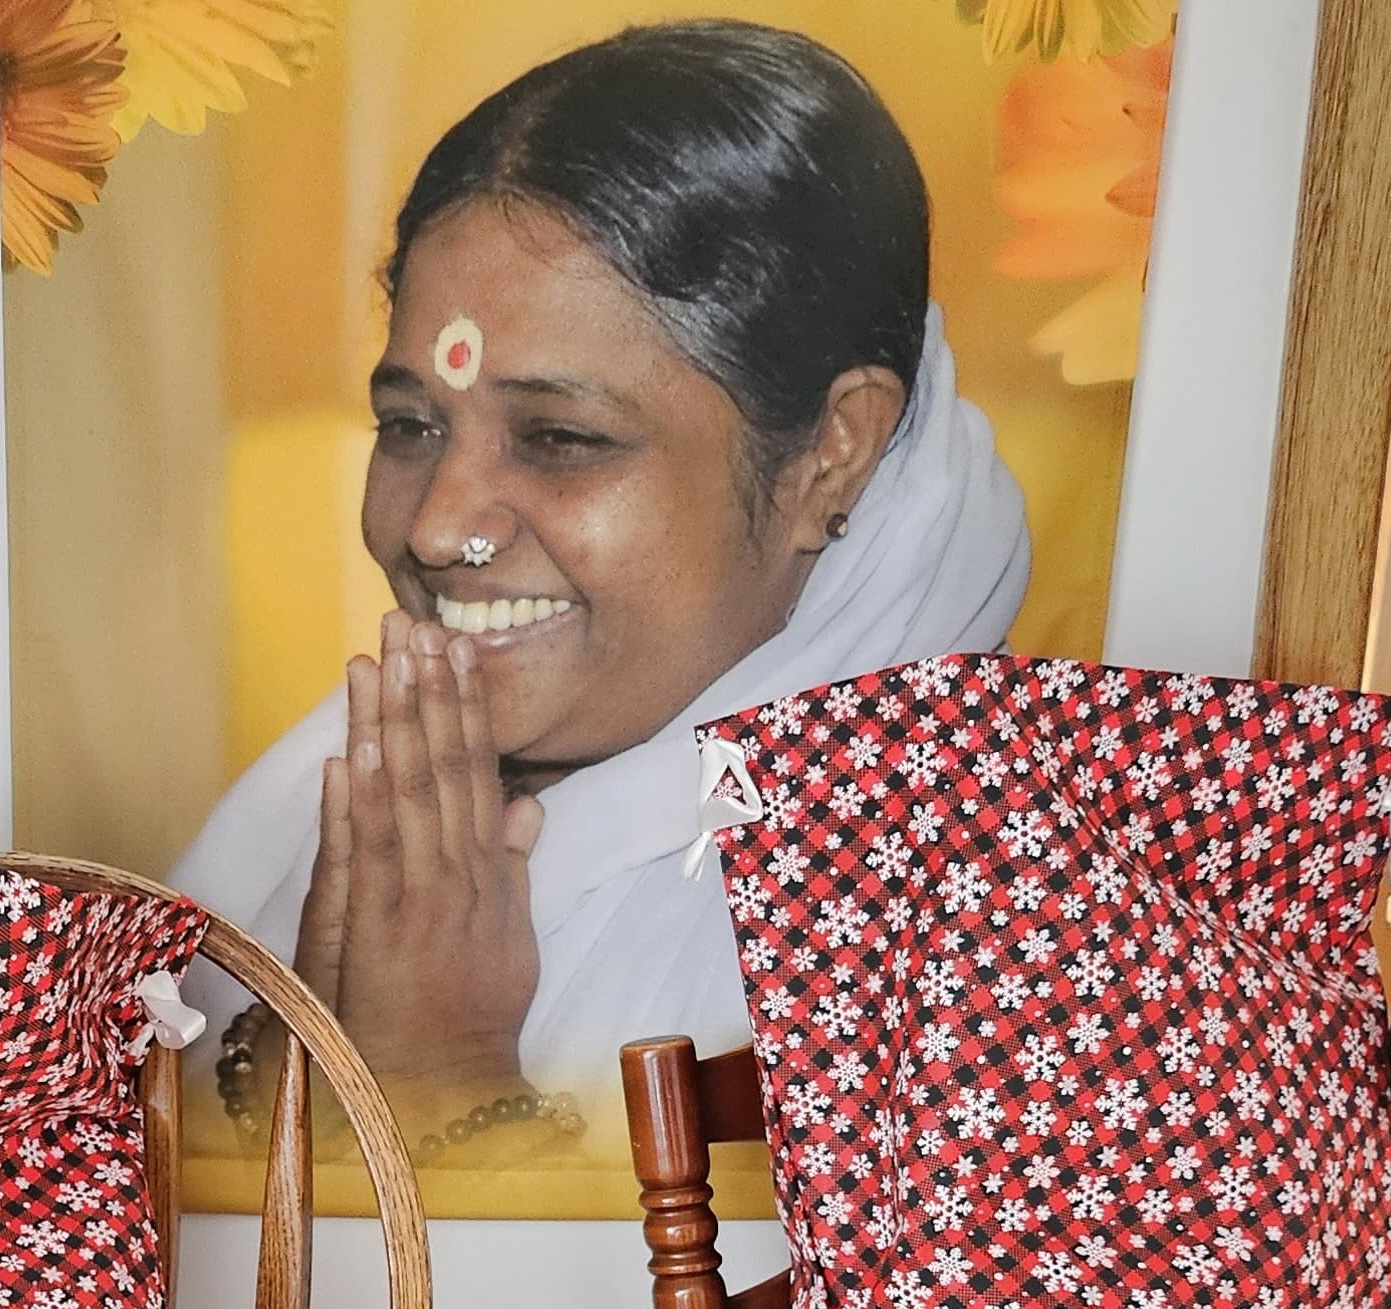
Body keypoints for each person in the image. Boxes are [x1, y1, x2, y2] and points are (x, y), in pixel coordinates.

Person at [175, 19, 1030, 1166]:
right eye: (410, 425)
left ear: (832, 450)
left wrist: (436, 1091)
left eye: (562, 437)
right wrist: (306, 1059)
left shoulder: (968, 929)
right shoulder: (342, 802)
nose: (436, 528)